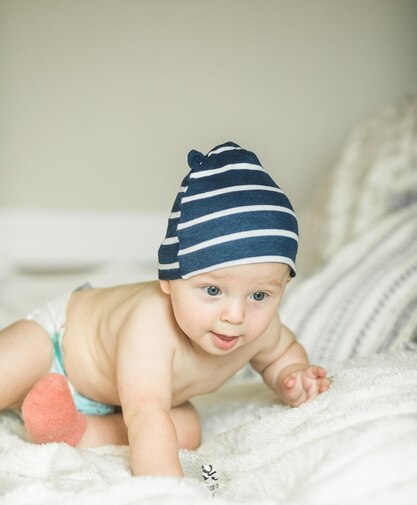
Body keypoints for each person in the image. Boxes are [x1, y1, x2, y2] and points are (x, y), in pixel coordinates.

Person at [0, 141, 330, 478]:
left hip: (121, 401)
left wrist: (292, 376)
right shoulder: (152, 325)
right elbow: (145, 413)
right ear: (170, 281)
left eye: (259, 295)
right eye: (213, 290)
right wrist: (165, 491)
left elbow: (280, 353)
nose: (236, 315)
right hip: (59, 344)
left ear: (283, 286)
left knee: (186, 430)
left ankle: (74, 428)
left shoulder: (262, 330)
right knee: (9, 367)